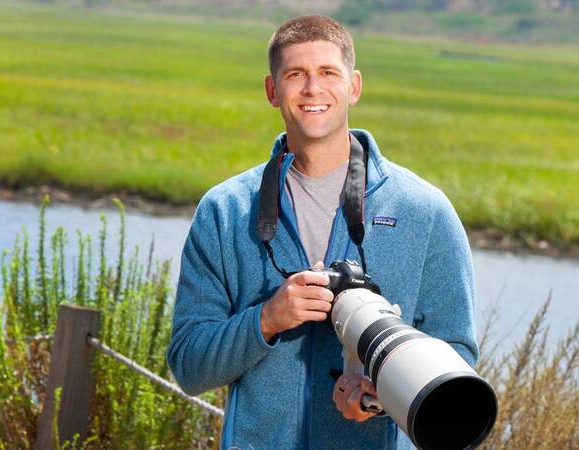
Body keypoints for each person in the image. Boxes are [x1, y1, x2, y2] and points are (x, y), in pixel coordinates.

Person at [167, 15, 478, 450]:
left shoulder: (423, 210)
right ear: (272, 91)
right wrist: (267, 319)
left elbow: (457, 359)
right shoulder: (226, 210)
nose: (313, 89)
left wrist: (378, 398)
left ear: (353, 86)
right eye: (296, 74)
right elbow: (188, 365)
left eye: (328, 73)